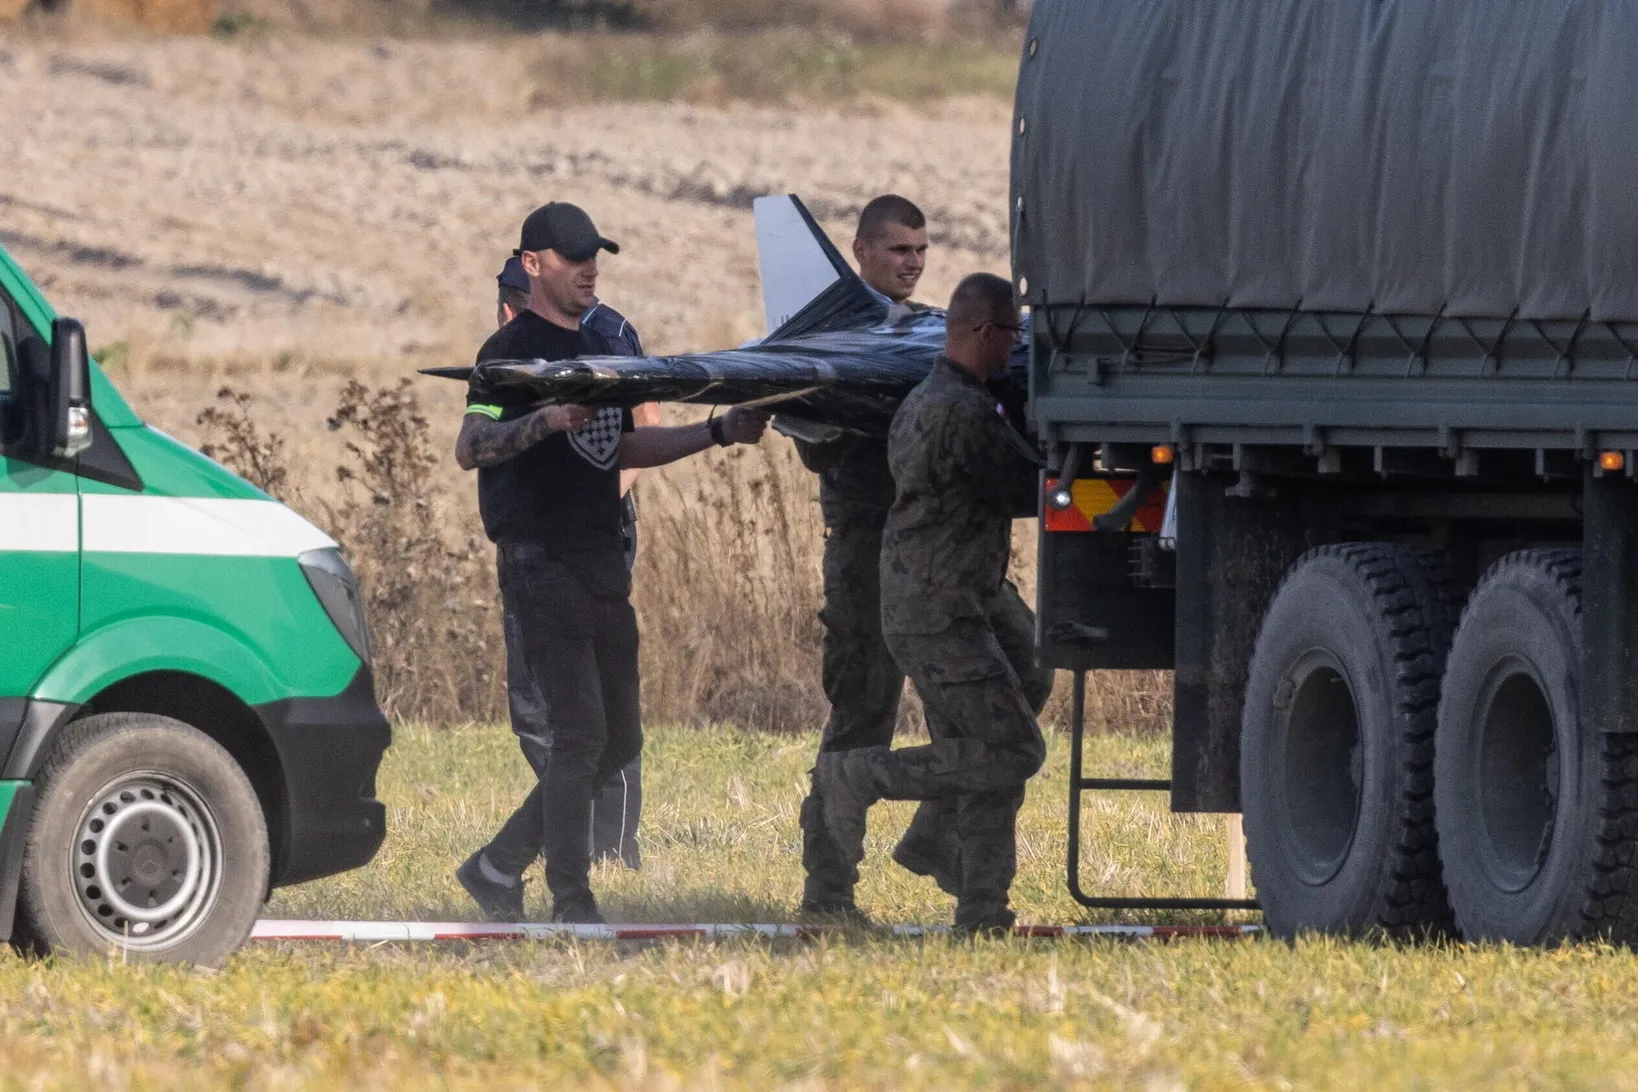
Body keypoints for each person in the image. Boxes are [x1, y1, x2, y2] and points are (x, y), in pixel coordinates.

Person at [456, 202, 769, 923]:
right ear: (533, 265)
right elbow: (471, 446)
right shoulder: (507, 354)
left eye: (594, 255)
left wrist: (718, 430)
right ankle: (572, 898)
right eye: (573, 258)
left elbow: (623, 446)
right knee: (580, 735)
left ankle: (496, 866)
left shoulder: (605, 347)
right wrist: (544, 420)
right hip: (539, 559)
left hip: (600, 557)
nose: (589, 269)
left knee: (619, 737)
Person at [812, 272, 1054, 935]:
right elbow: (1024, 486)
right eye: (1011, 336)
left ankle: (979, 904)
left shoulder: (931, 398)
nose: (1014, 350)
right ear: (984, 333)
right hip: (940, 610)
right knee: (1013, 749)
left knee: (1003, 716)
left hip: (956, 598)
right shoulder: (962, 413)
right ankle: (862, 776)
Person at [792, 195, 953, 919]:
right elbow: (809, 438)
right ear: (860, 251)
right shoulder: (835, 340)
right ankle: (828, 893)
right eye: (898, 250)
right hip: (865, 552)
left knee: (992, 701)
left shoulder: (928, 332)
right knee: (863, 714)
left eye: (920, 251)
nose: (912, 263)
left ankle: (939, 839)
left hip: (938, 549)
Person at [495, 257, 656, 870]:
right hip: (535, 540)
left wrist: (586, 504)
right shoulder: (513, 352)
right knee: (540, 708)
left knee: (597, 709)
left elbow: (645, 427)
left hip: (591, 541)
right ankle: (562, 841)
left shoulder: (608, 335)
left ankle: (607, 847)